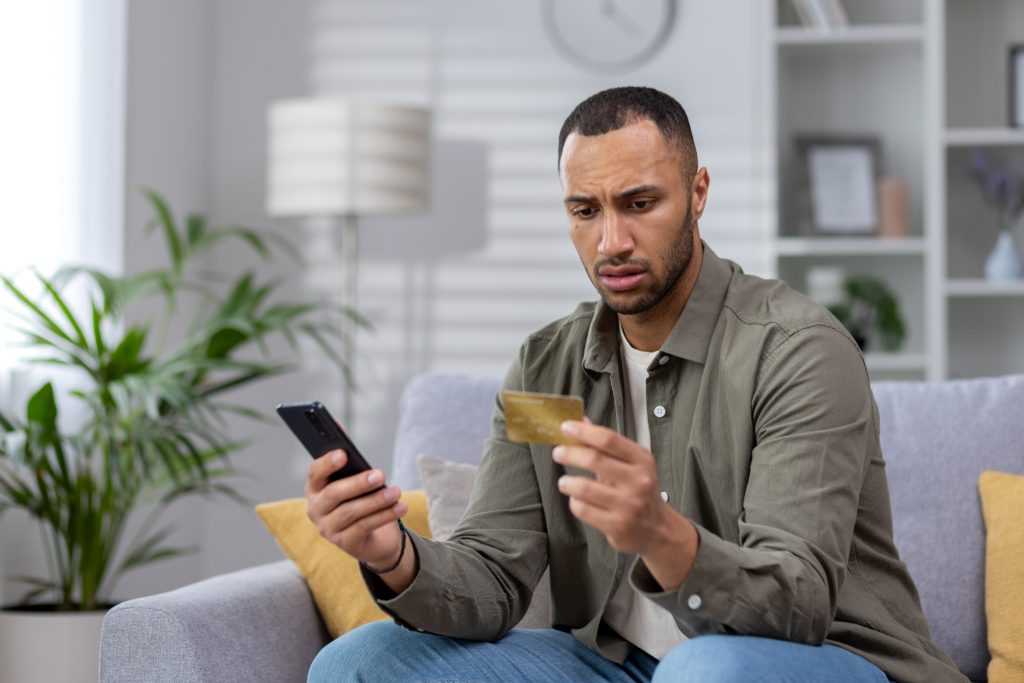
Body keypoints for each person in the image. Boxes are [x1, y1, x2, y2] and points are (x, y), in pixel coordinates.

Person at [303, 86, 966, 682]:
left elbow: (798, 600)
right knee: (357, 665)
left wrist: (660, 532)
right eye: (585, 210)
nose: (610, 240)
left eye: (639, 203)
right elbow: (496, 573)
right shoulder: (545, 368)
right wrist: (394, 555)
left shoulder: (799, 350)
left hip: (822, 658)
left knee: (705, 670)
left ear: (698, 192)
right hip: (614, 663)